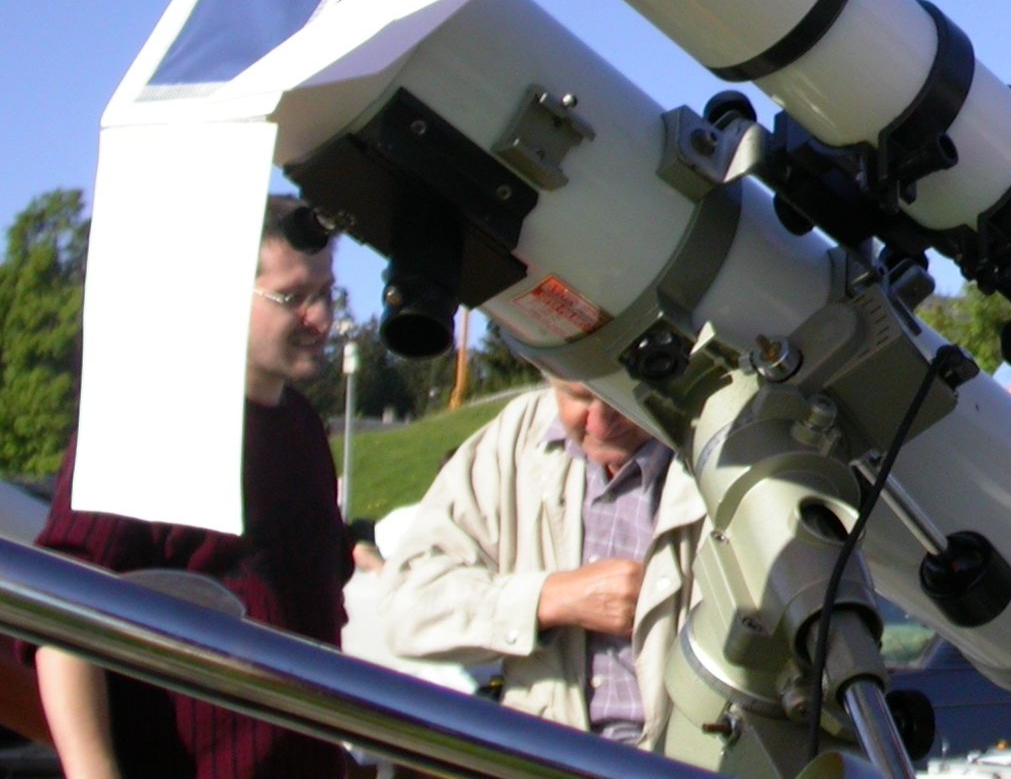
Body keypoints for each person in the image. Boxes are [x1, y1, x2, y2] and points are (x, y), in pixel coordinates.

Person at [32, 195, 352, 778]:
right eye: (293, 298)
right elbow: (62, 610)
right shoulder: (147, 423)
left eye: (326, 293)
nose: (322, 319)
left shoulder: (304, 429)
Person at [375, 377, 703, 748]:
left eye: (618, 400)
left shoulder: (730, 443)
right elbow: (406, 603)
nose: (597, 424)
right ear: (549, 376)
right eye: (576, 397)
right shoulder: (517, 437)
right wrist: (548, 600)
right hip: (544, 756)